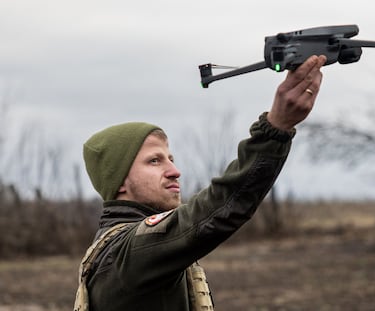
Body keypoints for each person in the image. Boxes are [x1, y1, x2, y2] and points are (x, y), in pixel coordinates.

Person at [74, 55, 327, 311]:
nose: (174, 171)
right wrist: (275, 128)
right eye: (154, 161)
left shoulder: (139, 250)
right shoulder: (130, 253)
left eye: (170, 159)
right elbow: (216, 210)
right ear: (119, 181)